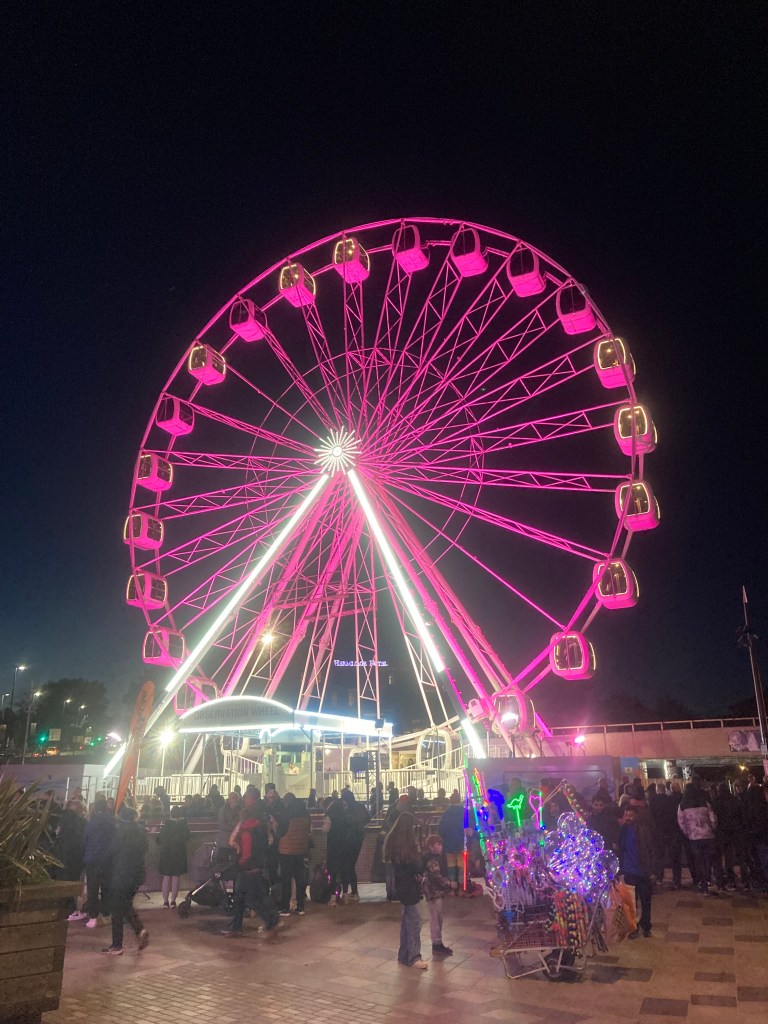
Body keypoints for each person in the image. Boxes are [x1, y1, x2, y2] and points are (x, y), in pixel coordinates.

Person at [220, 793, 279, 937]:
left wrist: (240, 863)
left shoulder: (246, 831)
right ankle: (237, 926)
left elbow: (246, 852)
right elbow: (268, 843)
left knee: (250, 899)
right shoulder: (259, 827)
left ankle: (270, 920)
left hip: (247, 869)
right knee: (245, 897)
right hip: (258, 867)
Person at [102, 806, 149, 955]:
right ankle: (139, 930)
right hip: (136, 874)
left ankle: (117, 945)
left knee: (117, 909)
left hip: (121, 874)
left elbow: (110, 852)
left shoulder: (120, 833)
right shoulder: (142, 832)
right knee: (126, 905)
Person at [383, 811, 428, 969]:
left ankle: (404, 954)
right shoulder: (407, 847)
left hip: (402, 887)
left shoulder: (393, 843)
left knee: (407, 921)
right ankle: (414, 957)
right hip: (410, 887)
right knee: (414, 922)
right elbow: (417, 865)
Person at [619, 804, 654, 937]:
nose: (628, 818)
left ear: (636, 816)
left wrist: (652, 870)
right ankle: (633, 927)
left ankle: (646, 925)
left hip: (642, 870)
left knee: (645, 900)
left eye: (630, 815)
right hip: (629, 870)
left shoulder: (642, 829)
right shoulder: (623, 829)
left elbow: (650, 849)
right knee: (631, 902)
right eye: (626, 815)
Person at [677, 781, 718, 895]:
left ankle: (702, 883)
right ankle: (708, 878)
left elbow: (681, 822)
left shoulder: (683, 805)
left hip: (694, 837)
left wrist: (688, 833)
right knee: (707, 859)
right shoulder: (704, 802)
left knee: (698, 860)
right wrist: (712, 828)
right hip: (708, 834)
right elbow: (713, 818)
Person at [83, 797, 116, 928]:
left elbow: (85, 839)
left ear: (95, 808)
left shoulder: (91, 823)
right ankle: (106, 914)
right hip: (108, 860)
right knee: (106, 888)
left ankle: (93, 917)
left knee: (93, 889)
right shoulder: (112, 821)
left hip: (93, 859)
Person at [277, 793, 311, 916]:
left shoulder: (287, 815)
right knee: (299, 879)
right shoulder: (306, 815)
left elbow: (281, 832)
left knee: (286, 879)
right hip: (300, 850)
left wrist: (275, 825)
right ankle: (300, 906)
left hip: (286, 850)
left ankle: (285, 908)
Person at [422, 834, 455, 957]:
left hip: (433, 892)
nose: (441, 847)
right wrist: (450, 884)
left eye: (441, 844)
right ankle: (437, 944)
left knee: (437, 917)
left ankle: (437, 943)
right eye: (438, 844)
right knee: (436, 918)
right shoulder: (432, 861)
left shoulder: (432, 859)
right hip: (434, 893)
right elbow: (437, 877)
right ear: (431, 847)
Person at [55, 799, 87, 921]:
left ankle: (63, 909)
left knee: (62, 882)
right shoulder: (82, 823)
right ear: (78, 810)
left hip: (60, 856)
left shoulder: (61, 820)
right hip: (75, 858)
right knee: (72, 883)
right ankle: (71, 910)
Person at [157, 805, 189, 908]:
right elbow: (187, 837)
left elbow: (158, 839)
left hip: (166, 852)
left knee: (166, 877)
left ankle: (165, 902)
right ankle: (173, 901)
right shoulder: (183, 825)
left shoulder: (165, 825)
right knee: (176, 877)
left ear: (170, 814)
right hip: (179, 853)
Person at [341, 788, 370, 900]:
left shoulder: (345, 810)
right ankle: (354, 891)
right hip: (358, 840)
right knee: (351, 865)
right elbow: (368, 818)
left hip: (346, 840)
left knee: (345, 866)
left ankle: (346, 891)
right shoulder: (360, 807)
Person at [322, 797, 350, 904]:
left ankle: (333, 897)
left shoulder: (330, 813)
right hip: (345, 845)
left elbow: (325, 829)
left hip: (333, 845)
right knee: (344, 871)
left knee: (332, 871)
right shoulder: (344, 813)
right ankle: (346, 895)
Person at [438, 791, 466, 889]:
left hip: (449, 842)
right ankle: (462, 884)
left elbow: (441, 829)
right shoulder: (464, 811)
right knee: (461, 863)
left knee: (451, 864)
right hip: (462, 842)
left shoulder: (446, 813)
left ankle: (452, 883)